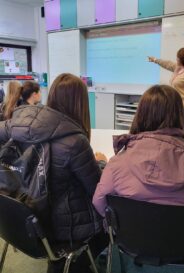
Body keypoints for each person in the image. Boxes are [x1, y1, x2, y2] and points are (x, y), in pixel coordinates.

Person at [0, 73, 108, 273]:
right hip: (61, 230)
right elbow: (98, 191)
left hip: (20, 222)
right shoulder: (75, 142)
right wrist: (101, 163)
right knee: (110, 223)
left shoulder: (17, 124)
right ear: (81, 103)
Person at [93, 84, 184, 237]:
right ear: (179, 114)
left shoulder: (118, 162)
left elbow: (100, 202)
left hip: (132, 240)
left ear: (140, 114)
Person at [148, 48, 184, 131]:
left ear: (182, 59)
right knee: (172, 130)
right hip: (173, 106)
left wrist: (183, 106)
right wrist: (155, 60)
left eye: (178, 58)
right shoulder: (178, 68)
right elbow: (167, 64)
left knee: (182, 130)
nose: (176, 59)